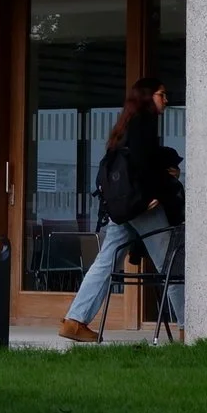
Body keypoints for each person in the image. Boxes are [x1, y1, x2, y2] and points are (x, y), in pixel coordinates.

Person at [58, 75, 178, 344]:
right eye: (162, 94)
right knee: (172, 263)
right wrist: (155, 193)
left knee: (106, 260)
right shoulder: (143, 124)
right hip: (142, 208)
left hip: (123, 208)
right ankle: (191, 327)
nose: (166, 100)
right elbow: (141, 164)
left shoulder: (124, 126)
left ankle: (74, 320)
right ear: (148, 97)